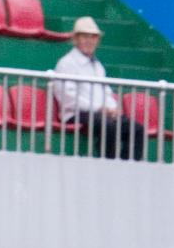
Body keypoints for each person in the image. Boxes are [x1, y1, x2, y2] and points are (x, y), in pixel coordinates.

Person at [51, 17, 145, 162]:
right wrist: (99, 109)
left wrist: (112, 108)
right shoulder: (66, 64)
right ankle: (108, 165)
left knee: (137, 129)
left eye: (93, 37)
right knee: (107, 125)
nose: (89, 41)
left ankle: (128, 167)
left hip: (99, 113)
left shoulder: (98, 66)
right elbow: (68, 98)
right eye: (84, 36)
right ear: (75, 39)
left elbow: (106, 92)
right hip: (75, 113)